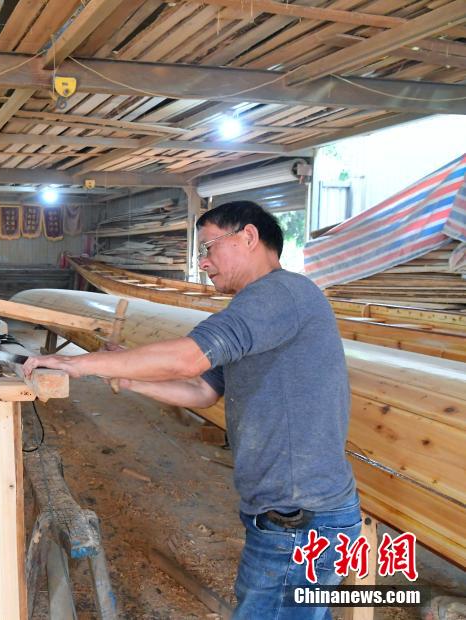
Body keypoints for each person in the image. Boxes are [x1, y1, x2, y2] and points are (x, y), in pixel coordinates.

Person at [24, 201, 359, 619]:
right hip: (290, 515)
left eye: (209, 247)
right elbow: (202, 389)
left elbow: (189, 359)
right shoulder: (260, 306)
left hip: (301, 521)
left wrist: (79, 364)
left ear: (248, 237)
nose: (203, 262)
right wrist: (127, 376)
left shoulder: (279, 294)